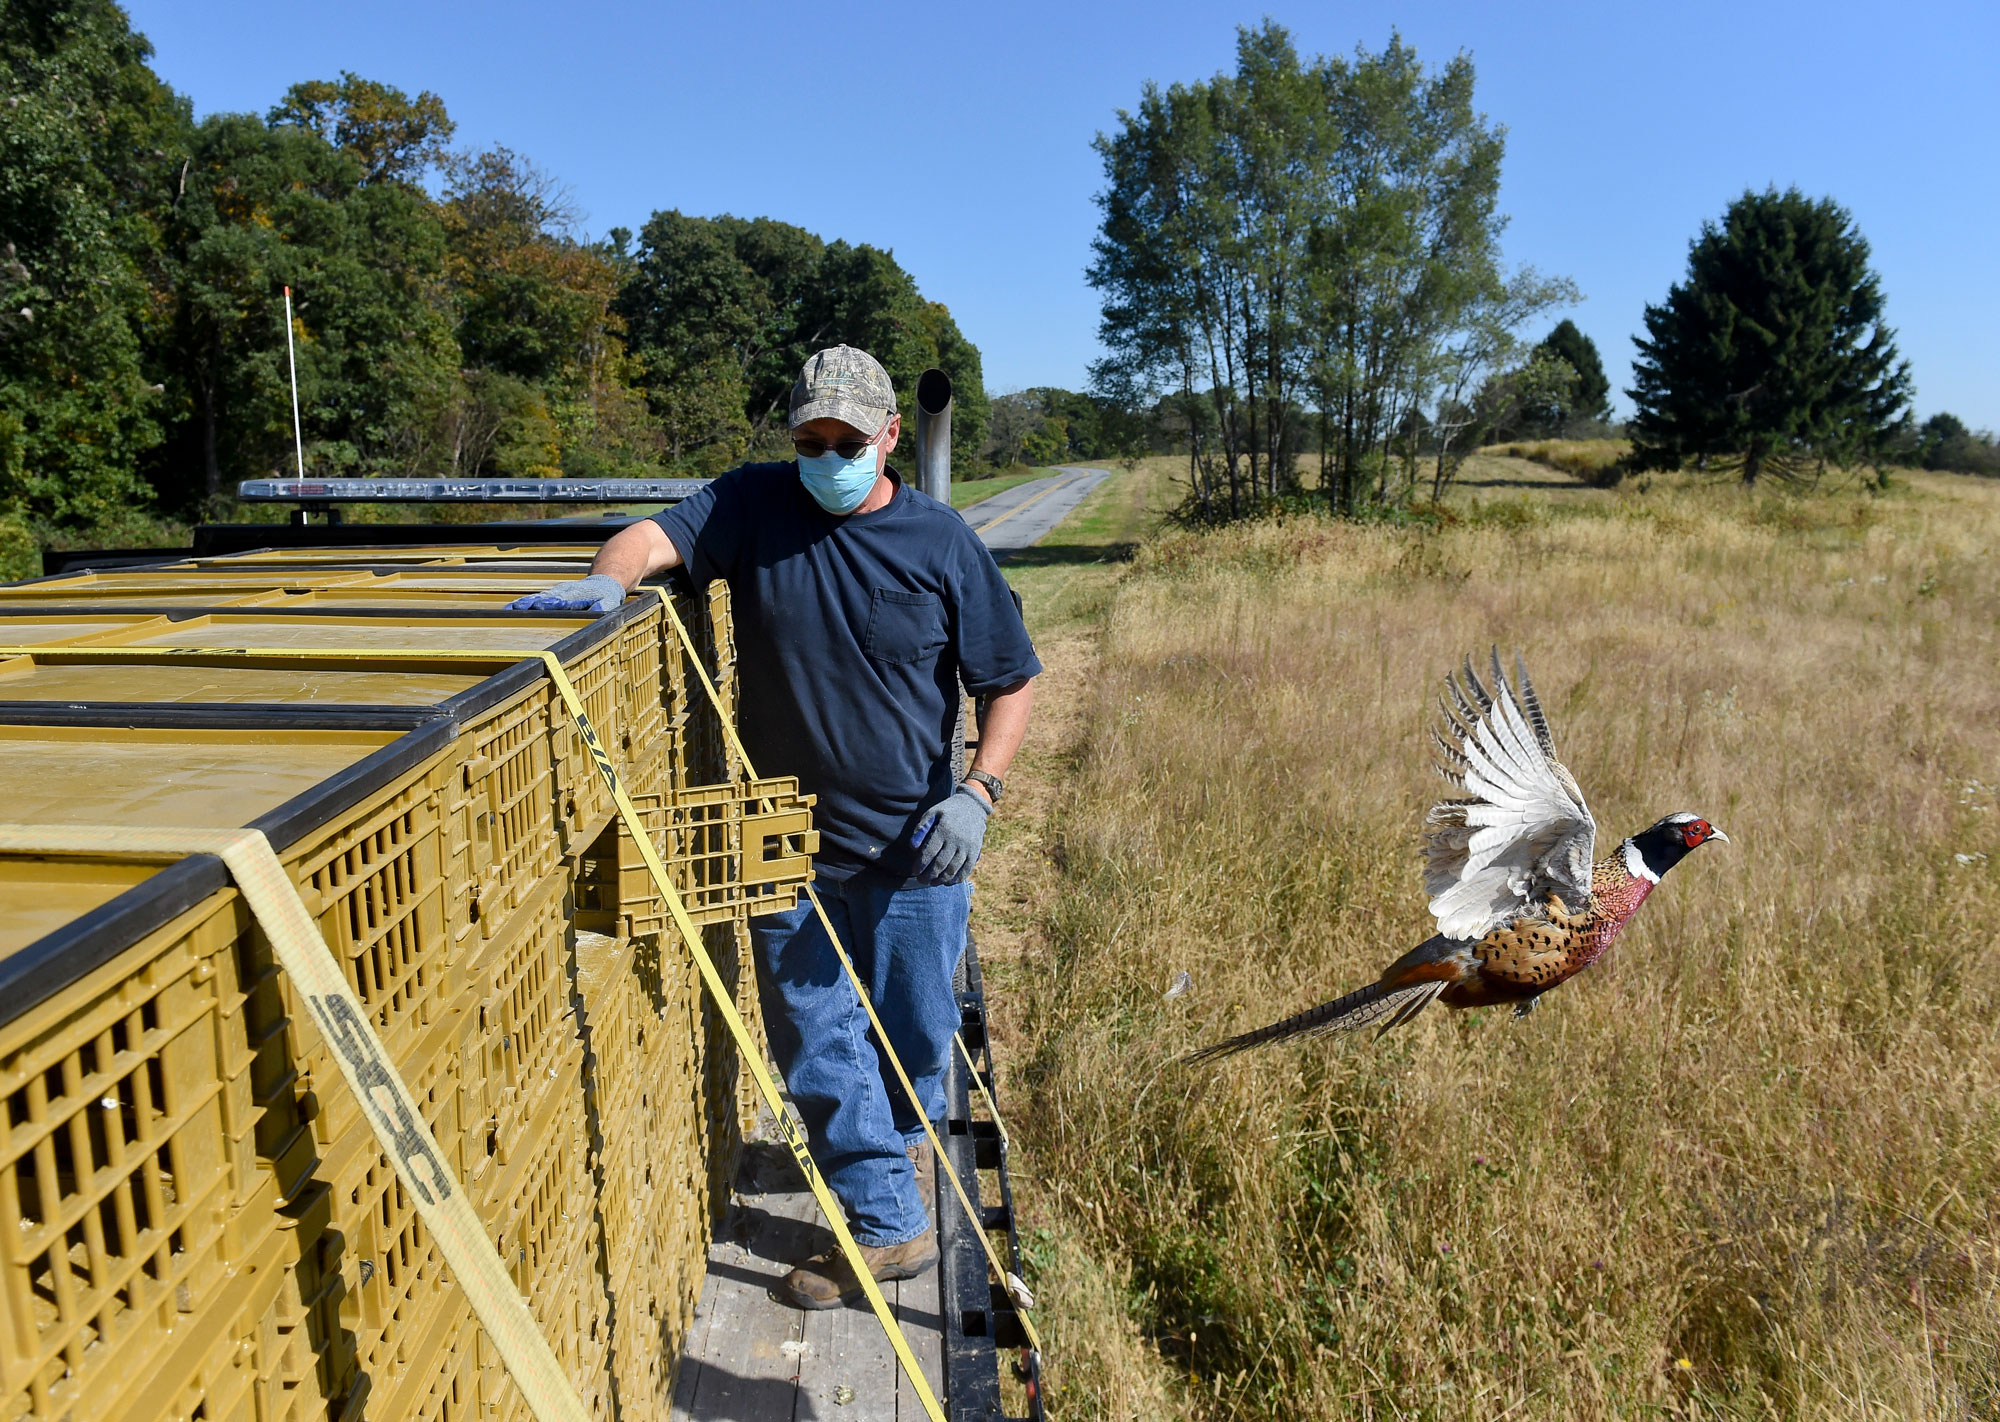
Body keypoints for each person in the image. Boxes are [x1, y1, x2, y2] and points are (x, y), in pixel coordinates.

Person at [509, 345, 1039, 1308]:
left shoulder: (941, 543)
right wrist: (604, 582)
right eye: (811, 439)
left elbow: (1010, 679)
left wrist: (980, 791)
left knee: (915, 1034)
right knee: (814, 1031)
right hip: (786, 836)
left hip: (920, 845)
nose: (829, 455)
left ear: (888, 437)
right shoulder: (753, 505)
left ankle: (890, 1160)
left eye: (848, 440)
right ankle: (888, 1222)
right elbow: (650, 541)